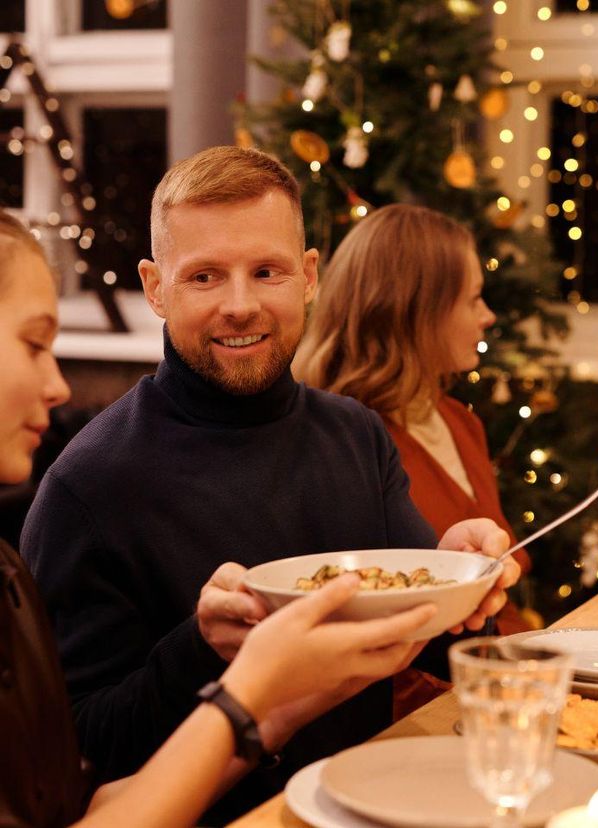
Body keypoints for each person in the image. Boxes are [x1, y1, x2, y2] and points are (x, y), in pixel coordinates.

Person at [20, 147, 519, 824]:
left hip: (376, 803)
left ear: (308, 276)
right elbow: (75, 757)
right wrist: (199, 650)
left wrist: (462, 569)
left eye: (266, 271)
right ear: (155, 286)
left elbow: (424, 635)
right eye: (203, 276)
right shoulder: (89, 485)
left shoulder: (355, 434)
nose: (240, 304)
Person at [293, 204, 532, 714]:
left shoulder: (459, 420)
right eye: (472, 300)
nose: (488, 315)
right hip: (428, 712)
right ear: (415, 313)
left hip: (500, 676)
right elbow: (368, 649)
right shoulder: (341, 445)